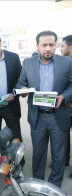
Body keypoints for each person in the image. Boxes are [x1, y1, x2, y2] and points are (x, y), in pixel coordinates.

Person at [15, 30, 72, 187]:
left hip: (58, 116)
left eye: (51, 45)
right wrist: (23, 90)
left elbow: (71, 85)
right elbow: (20, 84)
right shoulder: (28, 63)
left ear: (56, 45)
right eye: (44, 45)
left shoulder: (67, 62)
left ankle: (54, 186)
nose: (48, 48)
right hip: (37, 116)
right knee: (38, 154)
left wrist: (64, 96)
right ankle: (38, 183)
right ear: (37, 46)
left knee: (59, 155)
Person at [60, 35, 72, 175]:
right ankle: (65, 160)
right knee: (64, 135)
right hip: (66, 108)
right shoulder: (64, 62)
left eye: (62, 46)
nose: (60, 48)